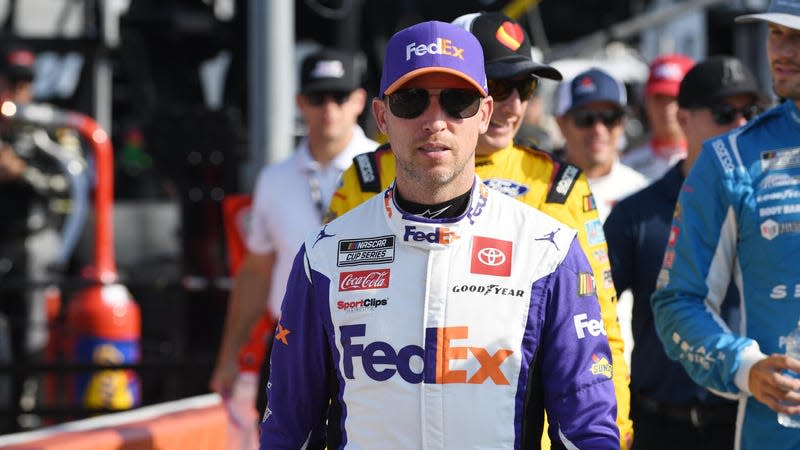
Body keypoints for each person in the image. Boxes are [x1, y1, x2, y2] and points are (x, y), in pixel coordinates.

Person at [259, 20, 619, 449]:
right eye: (412, 101)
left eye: (457, 101)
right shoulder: (324, 256)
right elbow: (289, 430)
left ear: (484, 113)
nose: (435, 121)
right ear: (381, 116)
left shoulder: (548, 252)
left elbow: (587, 430)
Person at [650, 2, 800, 448]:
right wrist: (745, 367)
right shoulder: (729, 158)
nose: (781, 50)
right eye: (775, 33)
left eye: (796, 35)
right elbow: (677, 301)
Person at [605, 56, 763, 450]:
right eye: (725, 112)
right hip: (660, 425)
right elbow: (593, 317)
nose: (742, 125)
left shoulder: (774, 208)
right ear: (683, 118)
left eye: (752, 112)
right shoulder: (636, 213)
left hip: (751, 421)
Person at [209, 48, 378, 399]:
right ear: (301, 102)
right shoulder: (274, 178)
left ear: (359, 101)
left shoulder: (384, 170)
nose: (329, 108)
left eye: (340, 96)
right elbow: (256, 271)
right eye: (318, 97)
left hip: (368, 342)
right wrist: (228, 357)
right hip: (291, 338)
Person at [0, 46, 68, 432]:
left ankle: (26, 420)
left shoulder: (48, 127)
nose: (18, 89)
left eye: (25, 82)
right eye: (11, 81)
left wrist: (21, 171)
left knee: (32, 339)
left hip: (32, 245)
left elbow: (70, 183)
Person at [554, 68, 649, 222]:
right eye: (585, 118)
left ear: (622, 124)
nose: (598, 129)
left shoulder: (642, 192)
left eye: (610, 118)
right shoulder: (537, 187)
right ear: (561, 124)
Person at [622, 53, 694, 181]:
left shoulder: (710, 164)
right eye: (659, 98)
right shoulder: (627, 166)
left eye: (675, 98)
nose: (667, 108)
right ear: (646, 102)